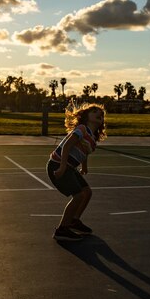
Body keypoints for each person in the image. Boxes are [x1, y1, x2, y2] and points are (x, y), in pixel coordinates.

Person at [46, 103, 106, 241]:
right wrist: (61, 167)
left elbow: (84, 152)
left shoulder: (93, 138)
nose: (100, 115)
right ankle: (62, 230)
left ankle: (73, 221)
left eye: (102, 115)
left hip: (69, 167)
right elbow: (67, 146)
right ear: (86, 116)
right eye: (95, 112)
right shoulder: (82, 129)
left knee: (87, 192)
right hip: (57, 164)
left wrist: (84, 167)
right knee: (78, 195)